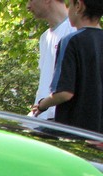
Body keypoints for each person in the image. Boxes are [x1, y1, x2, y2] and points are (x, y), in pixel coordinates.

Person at [32, 0, 103, 133]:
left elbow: (64, 93)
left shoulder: (71, 41)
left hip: (74, 131)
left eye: (69, 5)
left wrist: (42, 105)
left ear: (78, 6)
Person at [27, 0, 76, 120]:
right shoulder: (44, 38)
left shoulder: (75, 32)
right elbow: (46, 81)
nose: (28, 6)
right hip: (42, 117)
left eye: (31, 0)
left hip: (65, 120)